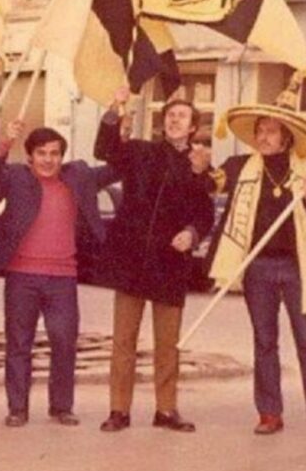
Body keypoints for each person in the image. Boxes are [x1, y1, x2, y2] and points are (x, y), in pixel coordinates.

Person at [204, 78, 306, 439]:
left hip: (296, 268)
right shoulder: (240, 167)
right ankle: (269, 412)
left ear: (286, 138)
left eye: (271, 131)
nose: (263, 137)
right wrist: (201, 168)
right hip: (257, 267)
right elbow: (211, 183)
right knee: (264, 341)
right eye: (260, 131)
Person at [0, 122, 118, 427]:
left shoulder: (78, 176)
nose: (48, 159)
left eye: (54, 153)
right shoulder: (16, 176)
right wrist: (3, 145)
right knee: (18, 344)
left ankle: (61, 407)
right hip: (21, 277)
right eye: (41, 153)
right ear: (30, 156)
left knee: (65, 343)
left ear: (62, 157)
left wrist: (115, 122)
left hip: (63, 278)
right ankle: (17, 408)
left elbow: (116, 168)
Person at [91, 87, 214, 434]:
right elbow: (105, 150)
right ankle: (119, 409)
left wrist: (191, 233)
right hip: (132, 259)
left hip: (170, 263)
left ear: (193, 127)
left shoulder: (200, 166)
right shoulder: (141, 151)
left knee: (167, 343)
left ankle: (166, 409)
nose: (175, 120)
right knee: (123, 340)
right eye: (170, 115)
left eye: (182, 116)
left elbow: (205, 214)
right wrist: (114, 110)